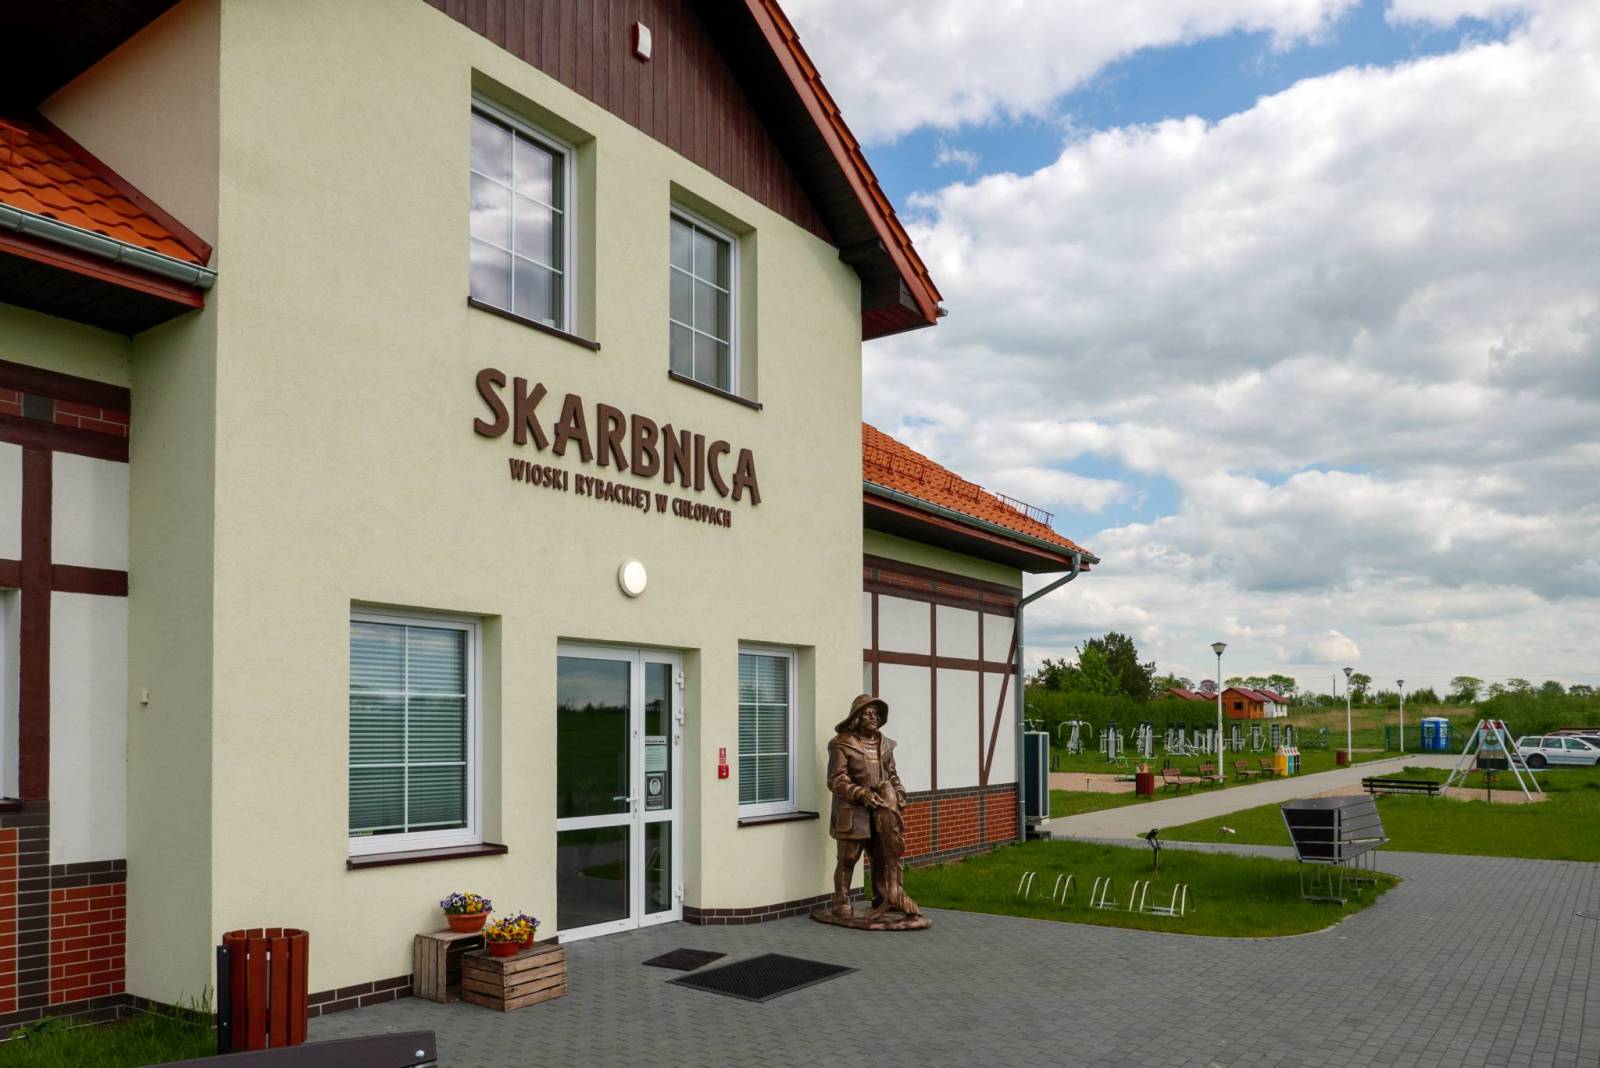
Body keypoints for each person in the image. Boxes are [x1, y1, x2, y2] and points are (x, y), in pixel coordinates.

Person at [826, 694, 920, 920]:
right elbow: (836, 779)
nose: (874, 717)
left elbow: (892, 774)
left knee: (881, 856)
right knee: (848, 857)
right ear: (857, 717)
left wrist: (899, 791)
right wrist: (860, 793)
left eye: (877, 714)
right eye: (868, 713)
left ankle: (883, 896)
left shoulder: (886, 745)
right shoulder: (842, 743)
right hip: (853, 810)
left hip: (882, 810)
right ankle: (842, 900)